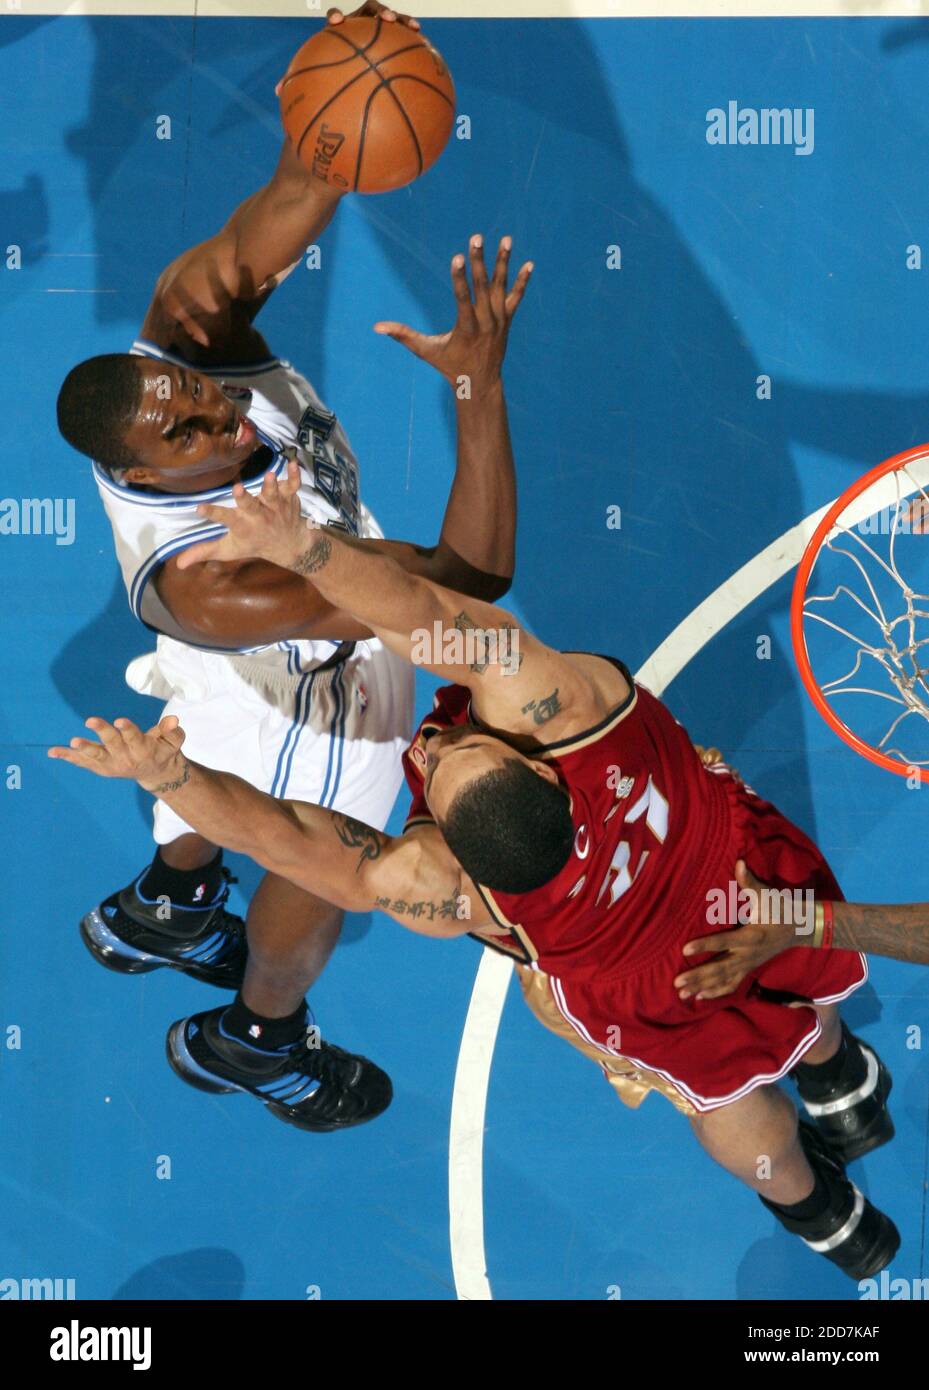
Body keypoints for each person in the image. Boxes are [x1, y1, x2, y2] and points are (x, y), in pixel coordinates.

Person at [50, 471, 907, 1279]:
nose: (436, 740)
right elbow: (427, 618)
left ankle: (822, 1213)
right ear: (540, 774)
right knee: (797, 961)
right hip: (734, 867)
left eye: (447, 751)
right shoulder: (568, 710)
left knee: (721, 1096)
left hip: (648, 982)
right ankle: (839, 1082)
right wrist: (301, 548)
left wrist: (174, 782)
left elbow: (286, 835)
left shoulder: (449, 889)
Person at [54, 0, 532, 1132]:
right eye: (185, 433)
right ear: (147, 473)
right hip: (314, 714)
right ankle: (255, 1036)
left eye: (198, 393)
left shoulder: (184, 333)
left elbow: (303, 186)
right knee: (329, 878)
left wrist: (332, 91)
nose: (213, 413)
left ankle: (169, 903)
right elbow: (464, 580)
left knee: (185, 759)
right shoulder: (213, 581)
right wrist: (475, 386)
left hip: (227, 675)